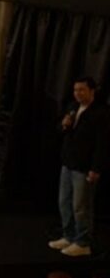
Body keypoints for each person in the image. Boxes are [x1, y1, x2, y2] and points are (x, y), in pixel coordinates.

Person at [49, 76, 107, 257]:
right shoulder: (73, 108)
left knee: (81, 206)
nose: (78, 94)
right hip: (68, 162)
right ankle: (69, 235)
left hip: (84, 167)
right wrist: (64, 125)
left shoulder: (101, 113)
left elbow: (103, 144)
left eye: (82, 90)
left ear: (92, 91)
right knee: (64, 202)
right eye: (75, 90)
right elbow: (61, 131)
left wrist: (96, 168)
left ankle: (83, 242)